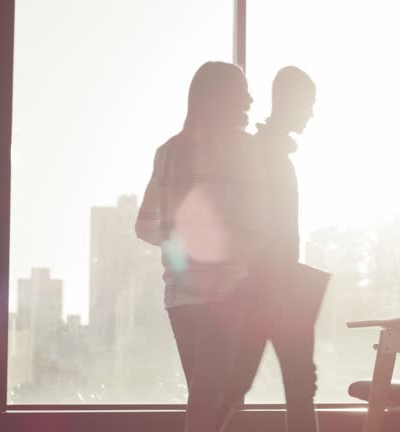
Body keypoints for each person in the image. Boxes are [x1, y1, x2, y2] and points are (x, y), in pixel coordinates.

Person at [135, 61, 263, 432]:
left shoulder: (169, 153)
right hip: (230, 295)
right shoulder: (246, 151)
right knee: (215, 404)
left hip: (181, 297)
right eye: (243, 91)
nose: (251, 99)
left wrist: (179, 242)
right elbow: (258, 227)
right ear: (222, 97)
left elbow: (144, 226)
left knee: (208, 400)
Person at [227, 66, 321, 432]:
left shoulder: (263, 154)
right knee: (297, 387)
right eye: (308, 105)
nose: (311, 114)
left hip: (265, 288)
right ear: (290, 102)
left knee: (239, 385)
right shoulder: (271, 159)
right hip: (273, 289)